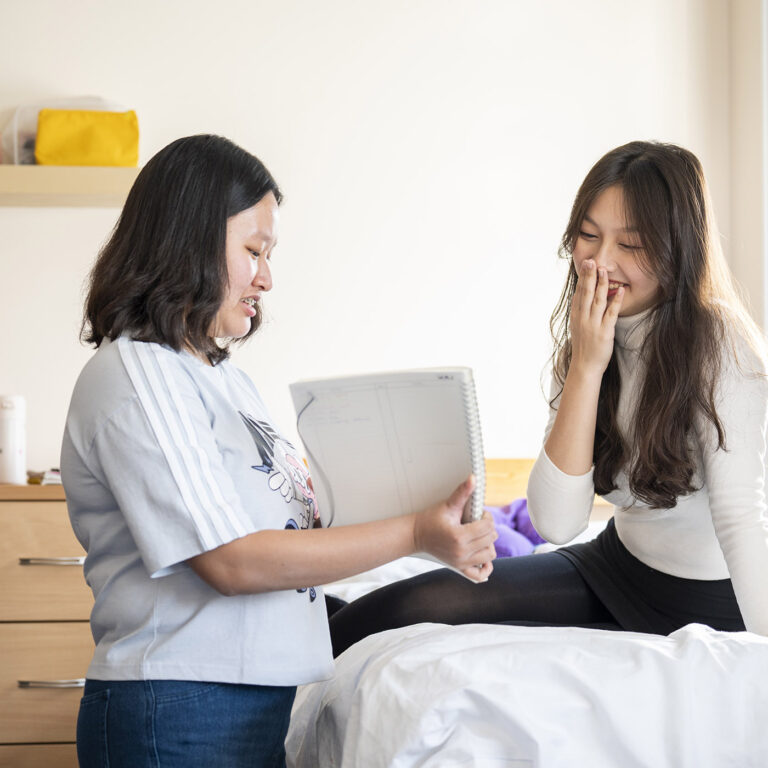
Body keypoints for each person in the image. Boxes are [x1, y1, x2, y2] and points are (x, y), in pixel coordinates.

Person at [60, 134, 497, 768]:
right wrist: (412, 532)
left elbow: (294, 537)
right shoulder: (139, 373)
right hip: (178, 704)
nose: (267, 276)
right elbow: (231, 563)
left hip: (244, 704)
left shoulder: (222, 379)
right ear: (189, 241)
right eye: (253, 250)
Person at [329, 140, 768, 657]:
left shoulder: (719, 341)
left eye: (630, 244)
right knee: (404, 606)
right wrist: (586, 366)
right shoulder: (585, 346)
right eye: (588, 236)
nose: (601, 262)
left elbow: (743, 516)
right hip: (615, 566)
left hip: (710, 600)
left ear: (678, 249)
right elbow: (557, 524)